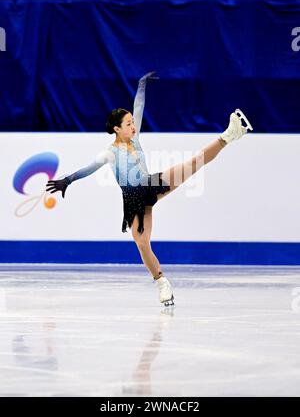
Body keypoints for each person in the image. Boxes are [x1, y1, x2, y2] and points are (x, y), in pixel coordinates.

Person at [46, 72, 253, 307]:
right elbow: (89, 168)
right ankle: (162, 283)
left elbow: (139, 106)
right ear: (116, 129)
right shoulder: (109, 153)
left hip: (151, 184)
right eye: (128, 124)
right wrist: (68, 180)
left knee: (192, 164)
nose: (133, 126)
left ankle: (229, 135)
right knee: (142, 243)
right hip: (133, 199)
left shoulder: (134, 139)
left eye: (133, 123)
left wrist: (141, 85)